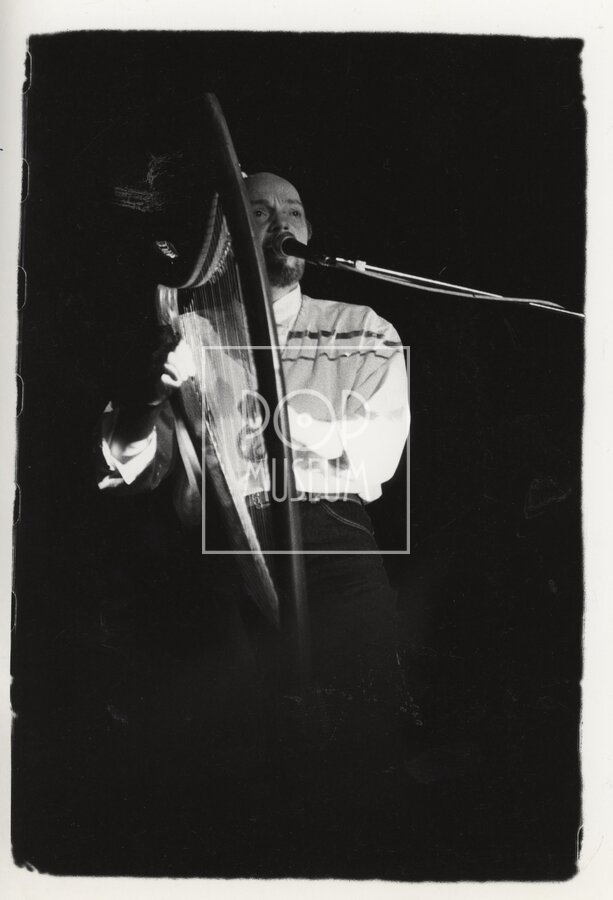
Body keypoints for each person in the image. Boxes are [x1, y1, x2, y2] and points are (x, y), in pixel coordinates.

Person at [96, 172, 411, 784]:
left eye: (294, 210)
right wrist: (146, 395)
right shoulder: (188, 334)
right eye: (260, 212)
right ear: (225, 237)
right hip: (220, 548)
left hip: (333, 536)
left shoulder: (364, 328)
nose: (282, 223)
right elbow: (132, 464)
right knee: (242, 756)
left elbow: (378, 454)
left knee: (364, 739)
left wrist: (276, 412)